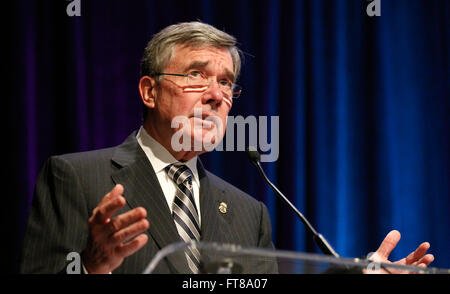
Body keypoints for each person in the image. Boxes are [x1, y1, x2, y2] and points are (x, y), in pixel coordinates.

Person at [20, 22, 434, 274]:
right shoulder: (75, 177)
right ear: (149, 90)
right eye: (197, 75)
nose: (216, 95)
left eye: (226, 82)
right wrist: (93, 267)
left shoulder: (246, 211)